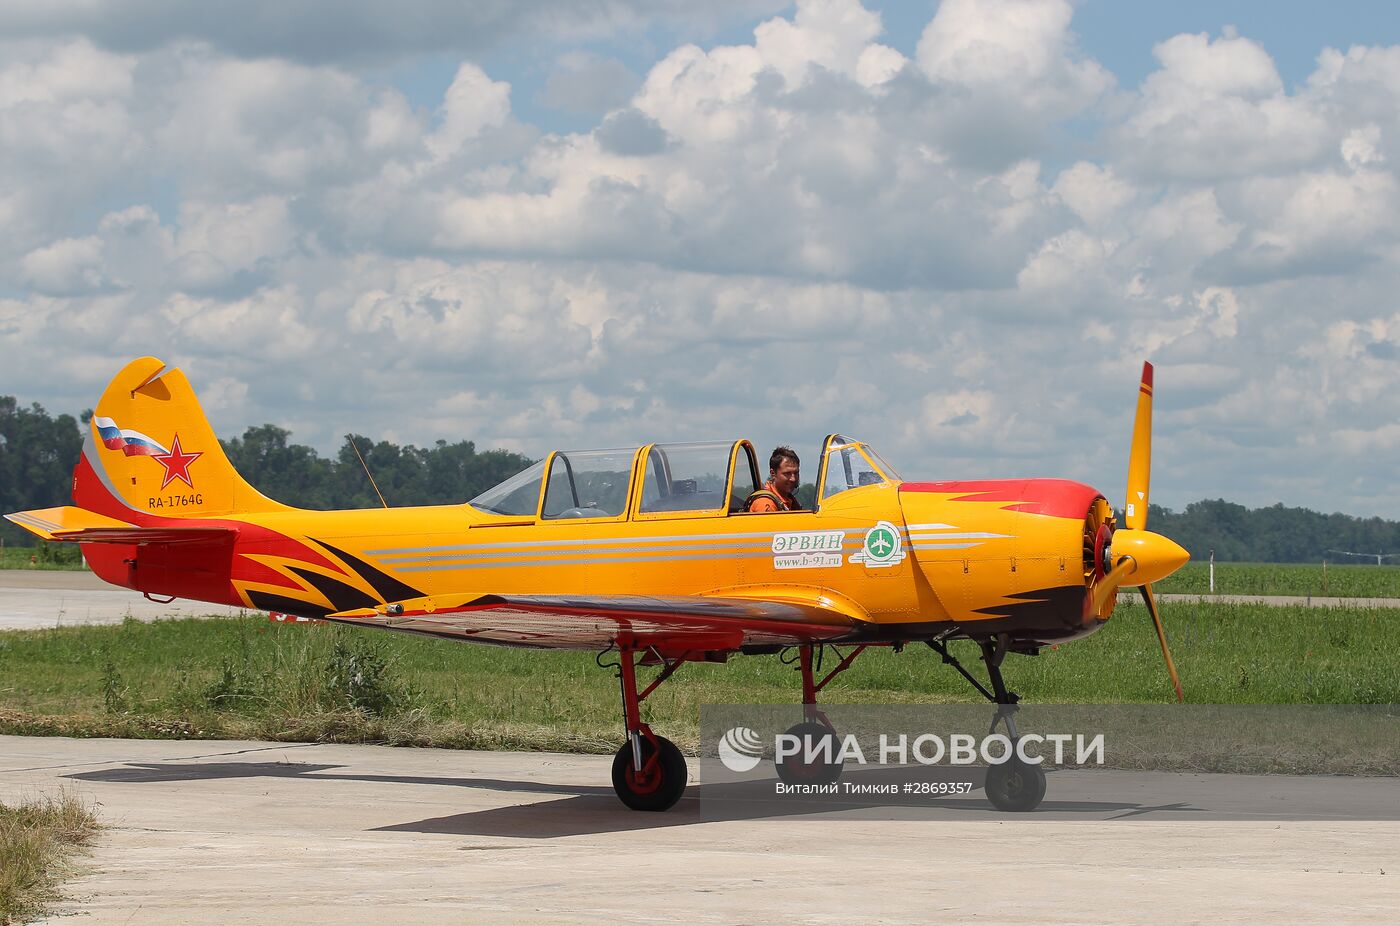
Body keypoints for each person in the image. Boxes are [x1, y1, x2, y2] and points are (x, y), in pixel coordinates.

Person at [746, 446, 803, 512]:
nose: (793, 479)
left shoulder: (789, 501)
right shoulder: (765, 503)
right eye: (787, 473)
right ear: (773, 473)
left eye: (796, 473)